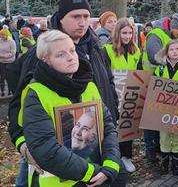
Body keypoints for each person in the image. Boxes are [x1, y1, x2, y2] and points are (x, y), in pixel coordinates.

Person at [7, 0, 121, 187]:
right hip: (47, 152)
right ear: (60, 19)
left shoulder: (95, 46)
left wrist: (113, 114)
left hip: (93, 146)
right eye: (75, 16)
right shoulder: (42, 52)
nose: (82, 22)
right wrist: (23, 144)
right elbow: (20, 100)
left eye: (86, 16)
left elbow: (107, 83)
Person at [20, 30, 125, 186]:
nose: (71, 57)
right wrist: (94, 172)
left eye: (72, 50)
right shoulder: (36, 93)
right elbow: (46, 149)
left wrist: (111, 164)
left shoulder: (89, 85)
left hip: (96, 175)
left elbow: (107, 127)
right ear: (45, 60)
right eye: (61, 54)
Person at [142, 12, 178, 162]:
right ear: (173, 26)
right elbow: (153, 56)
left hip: (165, 84)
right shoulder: (156, 34)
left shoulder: (175, 35)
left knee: (160, 117)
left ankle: (160, 148)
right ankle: (150, 149)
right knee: (150, 118)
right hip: (151, 80)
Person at [103, 18, 142, 173]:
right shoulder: (106, 50)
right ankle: (114, 156)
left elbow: (140, 73)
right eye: (124, 33)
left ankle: (126, 156)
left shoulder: (136, 50)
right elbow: (105, 74)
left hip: (130, 94)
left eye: (130, 33)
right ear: (117, 33)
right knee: (113, 126)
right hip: (114, 94)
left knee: (127, 125)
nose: (127, 36)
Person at [154, 40, 178, 176]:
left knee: (177, 135)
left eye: (177, 49)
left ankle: (176, 161)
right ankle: (165, 161)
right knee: (165, 134)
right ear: (166, 52)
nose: (174, 52)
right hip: (164, 108)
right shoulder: (160, 68)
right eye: (171, 49)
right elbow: (155, 86)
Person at [0, 26, 16, 96]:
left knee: (9, 77)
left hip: (10, 62)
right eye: (0, 35)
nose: (1, 36)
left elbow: (13, 53)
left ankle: (10, 90)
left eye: (3, 35)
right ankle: (2, 91)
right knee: (2, 77)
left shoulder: (11, 42)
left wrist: (2, 55)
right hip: (1, 62)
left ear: (6, 35)